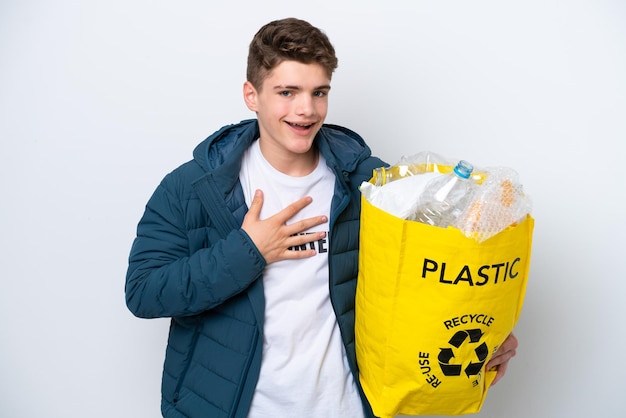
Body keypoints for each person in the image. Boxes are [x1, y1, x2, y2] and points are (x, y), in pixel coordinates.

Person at [125, 17, 518, 418]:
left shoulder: (372, 183)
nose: (306, 109)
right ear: (251, 95)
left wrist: (481, 336)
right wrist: (248, 251)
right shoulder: (194, 187)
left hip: (344, 407)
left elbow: (425, 278)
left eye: (319, 92)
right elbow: (143, 292)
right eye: (287, 91)